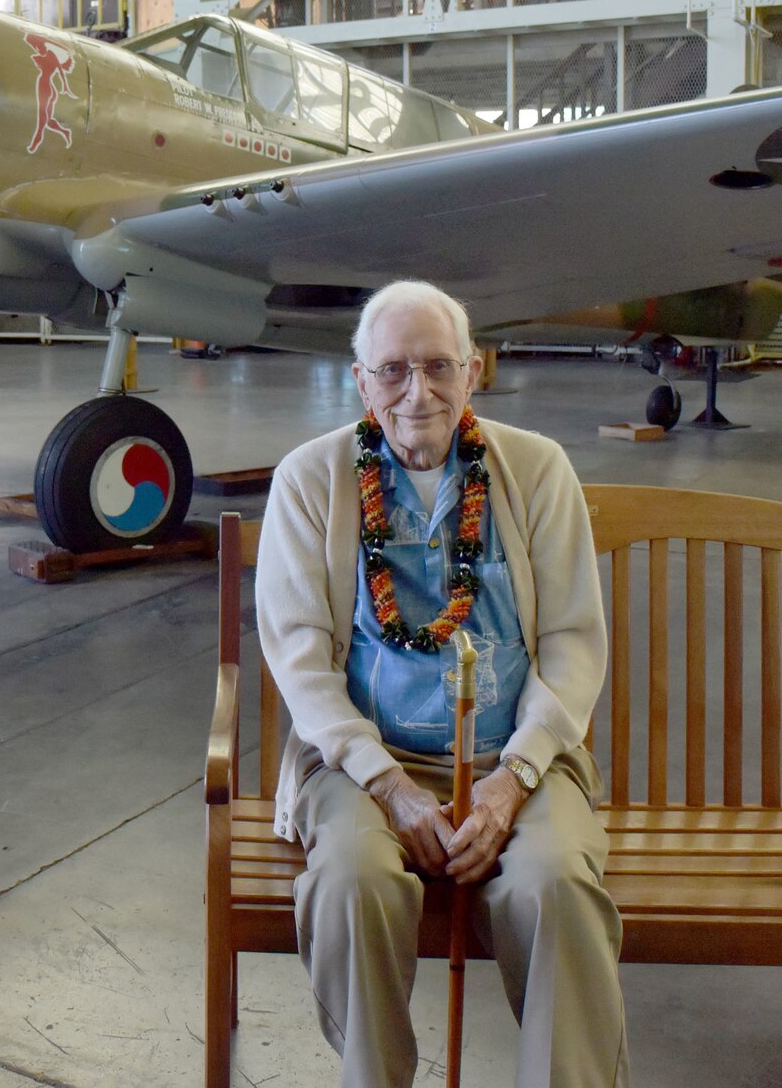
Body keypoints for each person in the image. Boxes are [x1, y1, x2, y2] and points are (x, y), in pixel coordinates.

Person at [255, 279, 629, 1088]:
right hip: (362, 764)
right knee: (353, 883)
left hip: (517, 762)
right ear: (361, 381)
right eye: (392, 370)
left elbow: (571, 640)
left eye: (437, 366)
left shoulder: (535, 468)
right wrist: (387, 784)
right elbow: (299, 656)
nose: (416, 391)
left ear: (474, 371)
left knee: (556, 883)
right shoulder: (310, 478)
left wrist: (513, 777)